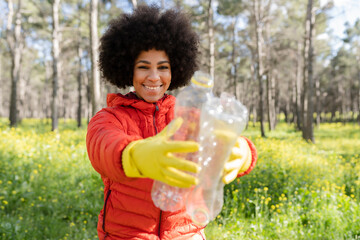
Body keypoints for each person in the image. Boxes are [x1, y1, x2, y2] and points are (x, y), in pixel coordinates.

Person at [86, 5, 257, 240]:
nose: (154, 77)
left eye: (163, 68)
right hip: (127, 235)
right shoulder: (111, 117)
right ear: (127, 70)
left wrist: (244, 152)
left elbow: (219, 136)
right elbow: (102, 147)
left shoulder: (188, 114)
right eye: (143, 67)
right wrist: (136, 156)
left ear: (176, 69)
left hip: (186, 233)